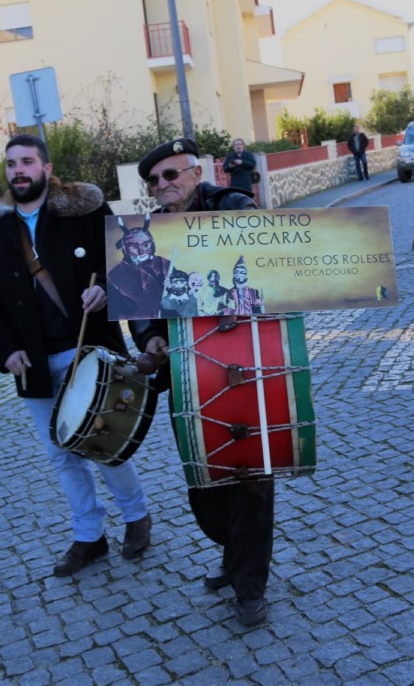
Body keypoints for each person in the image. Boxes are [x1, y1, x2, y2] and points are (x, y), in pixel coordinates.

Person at [0, 134, 152, 576]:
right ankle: (89, 536)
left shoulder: (85, 210)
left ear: (47, 170)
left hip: (87, 347)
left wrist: (105, 291)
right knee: (61, 453)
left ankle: (135, 515)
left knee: (102, 441)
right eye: (11, 163)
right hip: (30, 359)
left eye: (28, 162)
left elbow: (128, 264)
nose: (18, 170)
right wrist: (6, 350)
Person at [129, 137, 276, 628]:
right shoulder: (147, 233)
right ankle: (234, 556)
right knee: (203, 482)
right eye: (153, 180)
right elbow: (140, 298)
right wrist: (149, 338)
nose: (161, 186)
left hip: (243, 360)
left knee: (251, 478)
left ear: (196, 173)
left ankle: (250, 586)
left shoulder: (231, 206)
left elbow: (272, 266)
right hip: (184, 369)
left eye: (171, 175)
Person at [107, 216, 170, 319]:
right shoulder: (115, 276)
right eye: (134, 247)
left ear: (152, 244)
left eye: (146, 245)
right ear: (124, 248)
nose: (141, 252)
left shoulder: (166, 264)